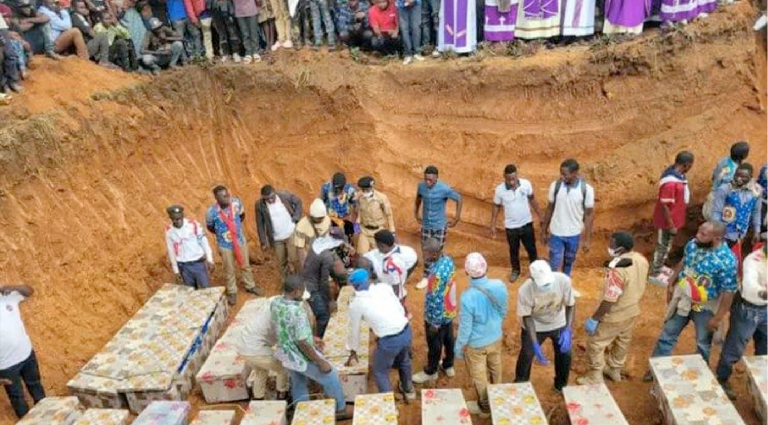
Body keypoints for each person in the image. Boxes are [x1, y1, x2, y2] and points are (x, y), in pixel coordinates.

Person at [643, 222, 737, 381]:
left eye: (703, 234)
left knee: (702, 343)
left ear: (717, 238)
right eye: (699, 231)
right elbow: (684, 262)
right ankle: (656, 369)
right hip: (684, 300)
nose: (698, 236)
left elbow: (729, 291)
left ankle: (699, 376)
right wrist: (671, 281)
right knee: (667, 335)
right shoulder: (694, 244)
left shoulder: (727, 260)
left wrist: (718, 318)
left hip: (704, 307)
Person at [271, 276, 354, 420]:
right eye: (302, 291)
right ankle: (340, 409)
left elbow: (288, 329)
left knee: (298, 380)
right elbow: (302, 341)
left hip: (285, 352)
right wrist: (319, 361)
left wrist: (311, 338)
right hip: (299, 355)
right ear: (296, 292)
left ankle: (301, 411)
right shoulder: (297, 312)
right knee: (330, 375)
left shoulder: (275, 303)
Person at [577, 232, 648, 384]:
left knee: (596, 343)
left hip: (615, 314)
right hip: (632, 309)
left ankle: (595, 376)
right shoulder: (641, 260)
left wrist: (594, 318)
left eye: (611, 244)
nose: (608, 246)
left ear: (620, 249)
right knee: (622, 340)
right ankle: (614, 369)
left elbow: (609, 299)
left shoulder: (617, 271)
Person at [346, 269, 416, 399]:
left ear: (354, 286)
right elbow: (399, 308)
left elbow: (354, 330)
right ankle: (409, 390)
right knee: (404, 361)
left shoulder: (356, 304)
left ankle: (388, 404)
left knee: (379, 371)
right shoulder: (384, 287)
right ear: (368, 279)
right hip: (406, 331)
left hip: (389, 341)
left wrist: (353, 350)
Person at [715, 232, 768, 400]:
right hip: (748, 309)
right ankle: (722, 378)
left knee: (765, 348)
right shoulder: (753, 261)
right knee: (735, 348)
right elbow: (751, 286)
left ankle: (760, 383)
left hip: (765, 308)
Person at [454, 253, 508, 417]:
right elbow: (503, 310)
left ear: (466, 272)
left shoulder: (467, 297)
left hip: (476, 344)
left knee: (479, 375)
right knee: (495, 365)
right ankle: (497, 397)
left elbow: (465, 328)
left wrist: (458, 348)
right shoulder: (499, 285)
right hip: (496, 336)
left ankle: (485, 407)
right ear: (486, 267)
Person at [514, 260, 575, 393]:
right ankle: (520, 384)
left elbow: (570, 305)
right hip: (535, 325)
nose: (547, 285)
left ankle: (561, 385)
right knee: (527, 353)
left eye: (548, 282)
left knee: (565, 353)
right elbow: (527, 317)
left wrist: (567, 329)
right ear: (532, 279)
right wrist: (534, 343)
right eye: (543, 284)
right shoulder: (525, 290)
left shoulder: (563, 280)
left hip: (558, 322)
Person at [206, 185, 262, 305]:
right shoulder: (211, 212)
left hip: (239, 241)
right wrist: (224, 233)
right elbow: (210, 227)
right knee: (229, 269)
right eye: (223, 196)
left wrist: (233, 229)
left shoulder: (236, 203)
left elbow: (241, 216)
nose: (227, 197)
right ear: (216, 198)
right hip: (224, 245)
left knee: (245, 265)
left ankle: (250, 285)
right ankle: (232, 291)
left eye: (227, 194)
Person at [412, 238, 458, 384]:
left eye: (425, 252)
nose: (423, 254)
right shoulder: (448, 261)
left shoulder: (437, 274)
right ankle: (448, 365)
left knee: (434, 344)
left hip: (436, 316)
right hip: (449, 311)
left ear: (433, 254)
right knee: (449, 339)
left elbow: (437, 299)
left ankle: (431, 371)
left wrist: (435, 323)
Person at [541, 159, 595, 276]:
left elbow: (589, 215)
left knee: (569, 260)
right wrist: (544, 230)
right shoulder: (555, 186)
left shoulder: (587, 190)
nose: (562, 176)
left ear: (575, 173)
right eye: (560, 173)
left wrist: (587, 240)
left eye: (565, 174)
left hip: (574, 233)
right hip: (556, 232)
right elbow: (549, 208)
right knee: (554, 261)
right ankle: (553, 282)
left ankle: (565, 280)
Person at [0, 284, 46, 419]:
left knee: (35, 385)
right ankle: (27, 421)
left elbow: (29, 290)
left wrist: (13, 287)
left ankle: (47, 415)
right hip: (6, 366)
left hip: (27, 354)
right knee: (18, 398)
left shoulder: (8, 296)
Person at [491, 164, 542, 283]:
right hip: (511, 227)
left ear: (517, 175)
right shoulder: (499, 190)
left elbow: (532, 199)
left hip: (526, 223)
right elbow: (496, 206)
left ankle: (535, 271)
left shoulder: (526, 184)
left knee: (532, 249)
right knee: (514, 250)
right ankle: (515, 270)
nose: (512, 182)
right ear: (504, 177)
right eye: (508, 179)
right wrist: (493, 224)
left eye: (513, 179)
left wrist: (540, 215)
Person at [649, 151, 694, 284]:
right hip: (667, 221)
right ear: (686, 165)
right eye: (690, 165)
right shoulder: (670, 183)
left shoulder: (679, 176)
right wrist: (671, 224)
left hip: (674, 219)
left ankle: (660, 265)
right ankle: (655, 273)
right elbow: (665, 205)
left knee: (667, 245)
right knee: (662, 245)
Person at [414, 165, 462, 289]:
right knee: (426, 249)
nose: (427, 182)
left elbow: (459, 199)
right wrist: (416, 213)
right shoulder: (421, 186)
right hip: (426, 224)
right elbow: (418, 198)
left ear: (436, 178)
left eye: (430, 180)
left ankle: (439, 274)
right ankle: (426, 276)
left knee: (438, 249)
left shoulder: (444, 188)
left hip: (440, 225)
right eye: (426, 179)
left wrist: (456, 218)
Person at [235, 296, 289, 401]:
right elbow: (283, 340)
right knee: (282, 367)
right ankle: (282, 396)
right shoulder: (281, 314)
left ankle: (258, 398)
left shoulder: (273, 300)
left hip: (243, 345)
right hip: (255, 349)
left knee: (261, 370)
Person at [301, 230, 349, 338]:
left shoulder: (317, 242)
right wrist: (329, 301)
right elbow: (324, 281)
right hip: (312, 288)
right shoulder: (327, 256)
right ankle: (320, 340)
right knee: (323, 316)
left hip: (306, 280)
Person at [711, 163, 763, 249]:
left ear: (750, 177)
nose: (739, 178)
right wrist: (716, 232)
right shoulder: (725, 188)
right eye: (737, 175)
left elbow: (756, 212)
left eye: (743, 177)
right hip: (724, 232)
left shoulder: (756, 191)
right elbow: (716, 211)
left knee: (734, 253)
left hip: (741, 233)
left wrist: (757, 231)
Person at [364, 229, 418, 310]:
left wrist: (393, 302)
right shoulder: (396, 253)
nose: (377, 248)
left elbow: (396, 286)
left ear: (383, 246)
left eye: (377, 245)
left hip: (396, 295)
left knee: (398, 309)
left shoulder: (391, 264)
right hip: (399, 289)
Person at [255, 185, 302, 279]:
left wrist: (296, 217)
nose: (270, 200)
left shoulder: (284, 195)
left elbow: (298, 202)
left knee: (294, 259)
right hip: (276, 239)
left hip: (291, 233)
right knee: (281, 263)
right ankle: (286, 282)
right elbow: (260, 224)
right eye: (267, 199)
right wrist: (263, 241)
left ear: (274, 192)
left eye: (272, 197)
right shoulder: (260, 205)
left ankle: (299, 279)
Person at [165, 204, 215, 289]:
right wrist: (176, 271)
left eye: (180, 218)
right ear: (171, 218)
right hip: (184, 267)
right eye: (175, 219)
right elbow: (171, 251)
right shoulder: (169, 231)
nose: (178, 221)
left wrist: (210, 260)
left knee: (205, 289)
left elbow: (204, 243)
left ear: (183, 216)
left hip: (198, 264)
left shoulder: (193, 225)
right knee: (190, 291)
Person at [703, 141, 750, 220]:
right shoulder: (735, 172)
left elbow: (714, 176)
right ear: (743, 156)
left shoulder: (724, 160)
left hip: (713, 193)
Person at [355, 176, 395, 254]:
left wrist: (392, 230)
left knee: (377, 255)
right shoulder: (360, 197)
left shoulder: (381, 198)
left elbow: (389, 214)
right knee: (362, 254)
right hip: (364, 231)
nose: (364, 192)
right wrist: (356, 226)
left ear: (371, 188)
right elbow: (360, 213)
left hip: (378, 232)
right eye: (363, 190)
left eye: (366, 190)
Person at [70, 0, 112, 66]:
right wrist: (99, 39)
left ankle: (101, 60)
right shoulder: (75, 17)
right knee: (102, 36)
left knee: (101, 38)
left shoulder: (82, 17)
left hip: (88, 43)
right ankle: (103, 61)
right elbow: (89, 31)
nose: (84, 9)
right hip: (83, 48)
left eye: (84, 7)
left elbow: (89, 26)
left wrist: (88, 16)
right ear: (74, 8)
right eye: (81, 8)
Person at [294, 198, 332, 268]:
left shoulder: (327, 219)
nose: (321, 219)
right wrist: (304, 266)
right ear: (312, 216)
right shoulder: (301, 226)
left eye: (322, 217)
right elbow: (300, 249)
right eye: (318, 218)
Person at [320, 172, 357, 241]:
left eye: (340, 188)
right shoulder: (326, 188)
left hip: (345, 218)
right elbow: (321, 202)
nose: (338, 190)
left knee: (346, 239)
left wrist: (354, 222)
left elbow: (355, 205)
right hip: (330, 218)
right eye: (336, 188)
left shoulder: (350, 190)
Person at [759, 163, 768, 233]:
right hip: (764, 196)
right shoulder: (765, 168)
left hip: (761, 194)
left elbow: (759, 180)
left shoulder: (764, 167)